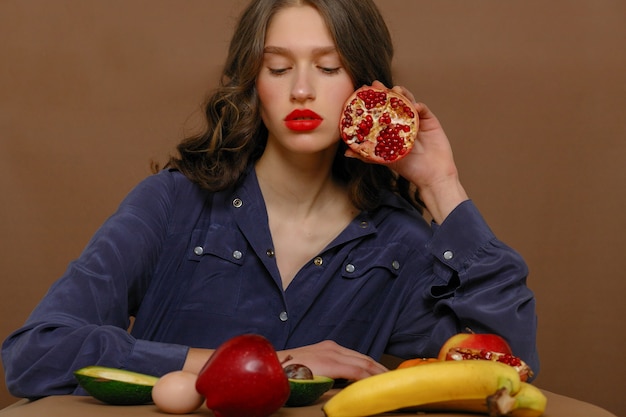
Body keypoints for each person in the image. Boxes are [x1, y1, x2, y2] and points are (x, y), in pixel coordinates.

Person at [2, 0, 539, 399]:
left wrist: (441, 184)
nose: (301, 89)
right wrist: (262, 364)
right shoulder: (172, 205)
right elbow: (35, 352)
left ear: (365, 85)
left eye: (328, 68)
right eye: (278, 67)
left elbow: (508, 371)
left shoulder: (398, 245)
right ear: (252, 81)